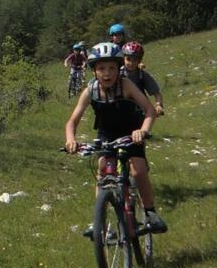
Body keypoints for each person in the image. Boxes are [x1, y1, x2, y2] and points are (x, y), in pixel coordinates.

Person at [64, 42, 167, 235]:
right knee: (102, 172)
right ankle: (99, 221)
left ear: (118, 68)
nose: (107, 73)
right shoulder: (90, 90)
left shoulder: (126, 85)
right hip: (106, 134)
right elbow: (72, 121)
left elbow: (149, 111)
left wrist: (142, 131)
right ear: (94, 71)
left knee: (138, 171)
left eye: (112, 68)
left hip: (132, 132)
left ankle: (150, 213)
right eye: (101, 68)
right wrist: (71, 139)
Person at [121, 41, 165, 117]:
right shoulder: (117, 74)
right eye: (128, 59)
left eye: (134, 60)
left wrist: (159, 105)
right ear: (123, 58)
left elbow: (157, 94)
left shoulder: (141, 75)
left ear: (140, 60)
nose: (131, 63)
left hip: (140, 110)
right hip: (121, 110)